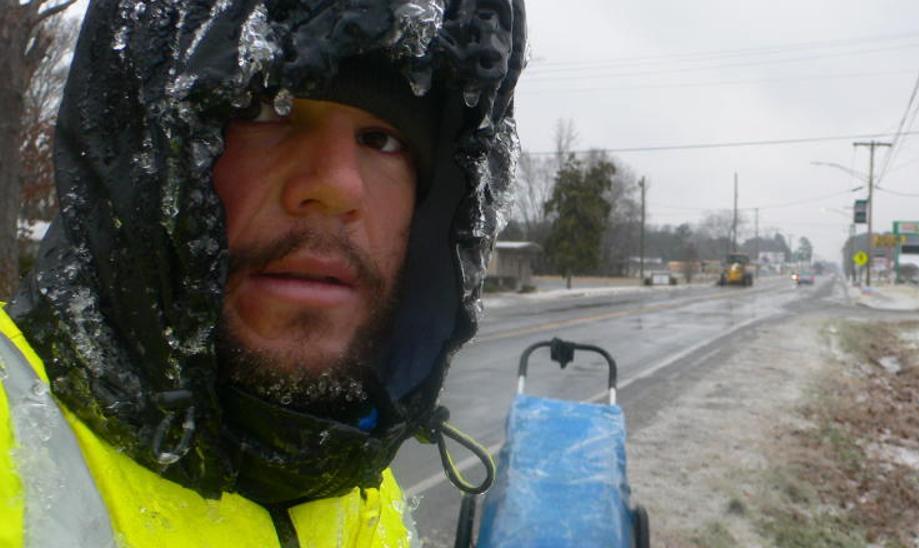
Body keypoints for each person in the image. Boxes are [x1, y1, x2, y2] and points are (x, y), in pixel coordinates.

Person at [0, 0, 525, 545]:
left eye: (381, 140)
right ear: (142, 152)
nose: (337, 187)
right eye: (264, 111)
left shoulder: (354, 481)